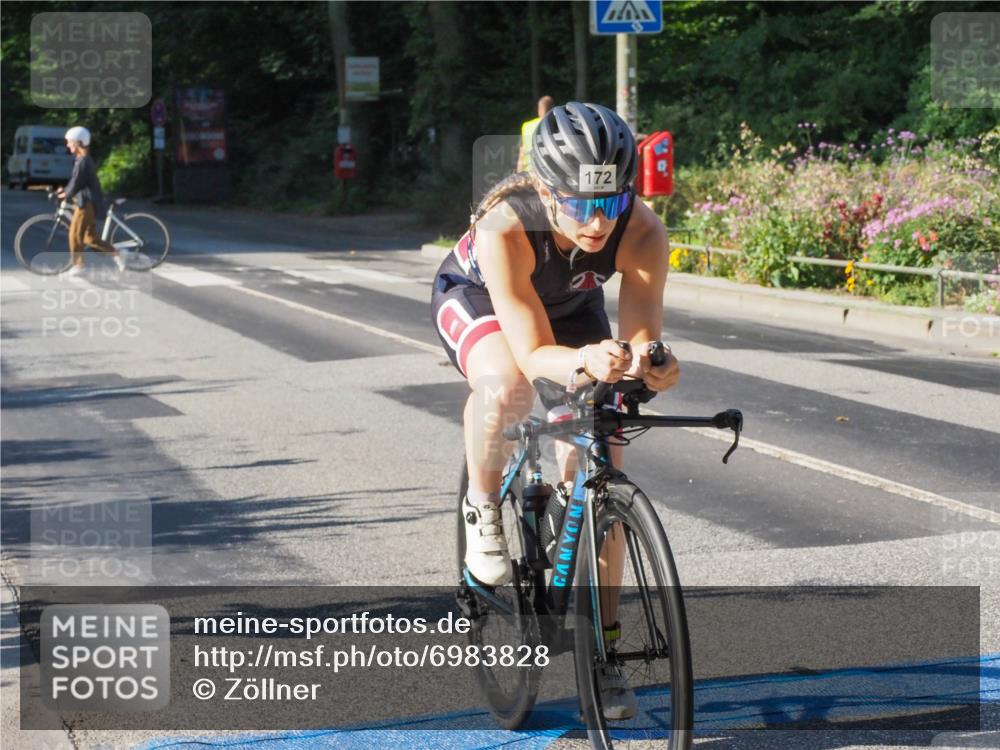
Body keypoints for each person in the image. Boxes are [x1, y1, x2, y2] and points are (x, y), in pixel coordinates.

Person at [430, 102, 680, 719]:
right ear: (546, 192)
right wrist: (582, 362)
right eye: (580, 204)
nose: (598, 222)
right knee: (509, 387)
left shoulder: (641, 228)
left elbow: (639, 338)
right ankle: (483, 509)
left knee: (602, 455)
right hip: (482, 300)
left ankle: (605, 652)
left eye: (611, 202)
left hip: (571, 308)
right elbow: (533, 353)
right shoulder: (506, 225)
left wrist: (650, 364)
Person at [57, 126, 125, 277]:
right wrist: (65, 191)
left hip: (86, 203)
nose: (67, 145)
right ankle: (117, 254)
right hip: (87, 202)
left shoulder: (83, 161)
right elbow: (75, 182)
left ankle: (79, 266)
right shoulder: (83, 160)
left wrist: (65, 193)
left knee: (74, 233)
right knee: (89, 238)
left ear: (78, 142)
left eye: (69, 142)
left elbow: (77, 183)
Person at [516, 95, 554, 171]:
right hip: (547, 172)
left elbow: (522, 154)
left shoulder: (527, 126)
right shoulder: (554, 124)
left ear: (539, 110)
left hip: (528, 171)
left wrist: (519, 173)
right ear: (552, 109)